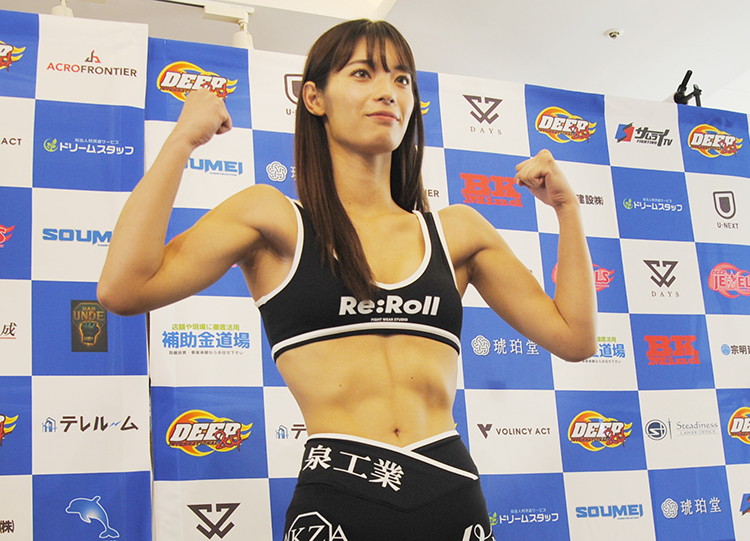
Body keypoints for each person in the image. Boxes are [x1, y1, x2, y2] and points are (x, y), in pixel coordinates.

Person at [98, 19, 596, 541]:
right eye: (363, 73)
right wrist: (182, 140)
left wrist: (567, 208)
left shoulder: (457, 232)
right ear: (314, 98)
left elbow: (575, 338)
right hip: (338, 500)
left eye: (401, 79)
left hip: (450, 493)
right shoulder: (274, 220)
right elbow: (123, 288)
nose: (388, 91)